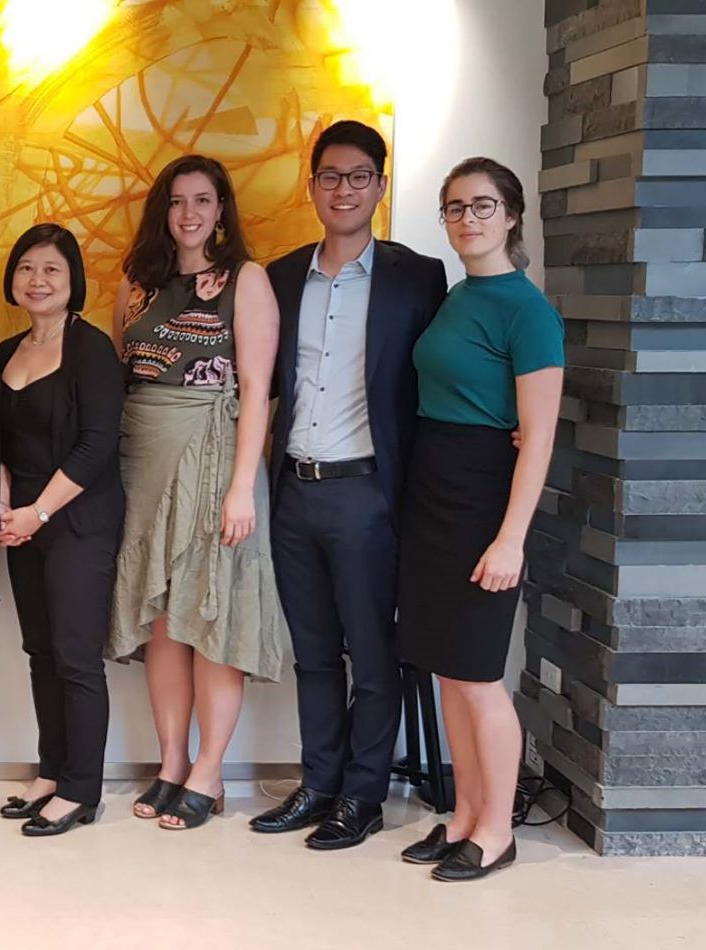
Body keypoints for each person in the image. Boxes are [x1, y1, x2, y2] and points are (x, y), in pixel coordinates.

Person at [250, 121, 450, 849]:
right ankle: (318, 784)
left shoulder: (418, 276)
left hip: (368, 493)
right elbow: (258, 385)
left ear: (381, 187)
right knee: (311, 654)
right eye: (330, 176)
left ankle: (363, 796)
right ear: (311, 188)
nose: (343, 189)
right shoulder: (278, 277)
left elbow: (445, 375)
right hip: (293, 491)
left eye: (359, 176)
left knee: (371, 654)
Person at [396, 158, 563, 882]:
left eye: (483, 206)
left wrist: (510, 538)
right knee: (446, 671)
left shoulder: (529, 311)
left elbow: (540, 435)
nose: (469, 219)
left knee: (477, 676)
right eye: (456, 208)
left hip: (483, 500)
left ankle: (497, 829)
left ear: (513, 215)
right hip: (434, 491)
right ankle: (464, 814)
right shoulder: (460, 296)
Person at [109, 155, 285, 831]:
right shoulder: (136, 282)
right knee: (162, 618)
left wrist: (242, 487)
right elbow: (125, 374)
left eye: (203, 200)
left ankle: (210, 772)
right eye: (177, 201)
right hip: (145, 457)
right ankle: (172, 762)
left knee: (210, 616)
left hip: (217, 458)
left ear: (221, 208)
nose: (189, 214)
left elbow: (256, 392)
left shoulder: (247, 280)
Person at [0, 224, 125, 837]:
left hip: (76, 522)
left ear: (72, 281)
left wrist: (38, 512)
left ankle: (82, 789)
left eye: (51, 269)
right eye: (26, 268)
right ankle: (51, 770)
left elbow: (97, 446)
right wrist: (4, 509)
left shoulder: (91, 348)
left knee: (75, 658)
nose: (37, 280)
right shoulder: (4, 350)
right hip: (20, 524)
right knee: (39, 652)